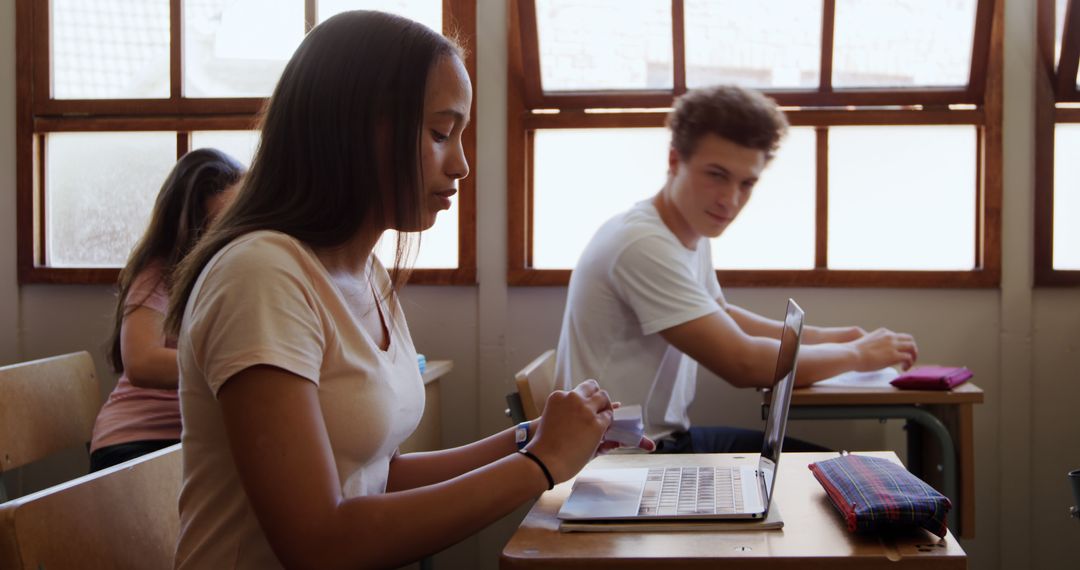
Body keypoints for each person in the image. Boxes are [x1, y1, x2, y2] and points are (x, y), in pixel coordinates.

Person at [164, 11, 651, 570]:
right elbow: (319, 542)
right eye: (441, 133)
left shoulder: (363, 273)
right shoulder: (260, 276)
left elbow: (381, 476)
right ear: (351, 128)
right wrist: (540, 464)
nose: (462, 164)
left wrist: (530, 438)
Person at [555, 85, 919, 454]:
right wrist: (859, 355)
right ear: (674, 160)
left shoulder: (687, 228)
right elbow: (742, 363)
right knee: (842, 478)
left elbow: (723, 316)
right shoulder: (641, 245)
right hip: (625, 463)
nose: (730, 200)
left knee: (841, 470)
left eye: (747, 184)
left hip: (661, 444)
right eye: (716, 175)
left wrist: (830, 338)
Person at [89, 148, 243, 472]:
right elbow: (141, 363)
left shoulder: (240, 272)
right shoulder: (157, 275)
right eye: (213, 227)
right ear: (187, 230)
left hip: (190, 437)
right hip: (136, 442)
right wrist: (232, 366)